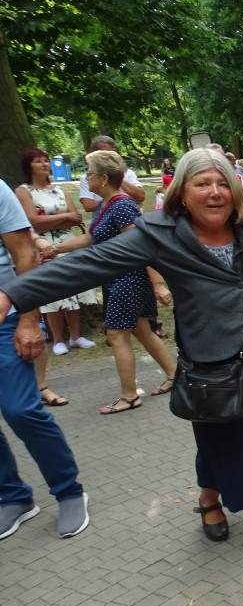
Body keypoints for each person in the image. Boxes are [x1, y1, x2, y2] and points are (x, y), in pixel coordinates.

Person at [0, 149, 243, 545]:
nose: (215, 193)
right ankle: (210, 500)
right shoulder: (157, 232)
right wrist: (12, 294)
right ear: (182, 191)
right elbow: (90, 263)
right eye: (202, 184)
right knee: (218, 438)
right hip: (209, 355)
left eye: (222, 183)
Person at [42, 151, 177, 414]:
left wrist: (158, 283)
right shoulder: (107, 204)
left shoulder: (122, 205)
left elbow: (141, 247)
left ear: (104, 178)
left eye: (89, 173)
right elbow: (91, 239)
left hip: (128, 279)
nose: (86, 177)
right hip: (118, 279)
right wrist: (55, 250)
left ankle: (129, 396)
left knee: (116, 336)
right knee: (141, 331)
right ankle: (175, 374)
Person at [0, 179, 90, 540]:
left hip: (6, 317)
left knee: (21, 410)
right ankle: (13, 496)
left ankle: (69, 491)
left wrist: (28, 319)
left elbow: (24, 255)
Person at [14, 148, 97, 370]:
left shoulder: (59, 189)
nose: (44, 164)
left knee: (73, 287)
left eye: (46, 161)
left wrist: (56, 220)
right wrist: (63, 218)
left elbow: (76, 218)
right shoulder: (23, 191)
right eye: (38, 161)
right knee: (51, 292)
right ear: (28, 166)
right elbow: (32, 221)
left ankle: (76, 335)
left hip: (67, 243)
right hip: (42, 245)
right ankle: (58, 338)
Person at [78, 135, 144, 212]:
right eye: (107, 152)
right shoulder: (88, 177)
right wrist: (122, 200)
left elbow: (140, 197)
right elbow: (88, 206)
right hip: (101, 218)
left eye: (114, 152)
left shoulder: (128, 173)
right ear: (94, 153)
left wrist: (116, 176)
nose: (113, 155)